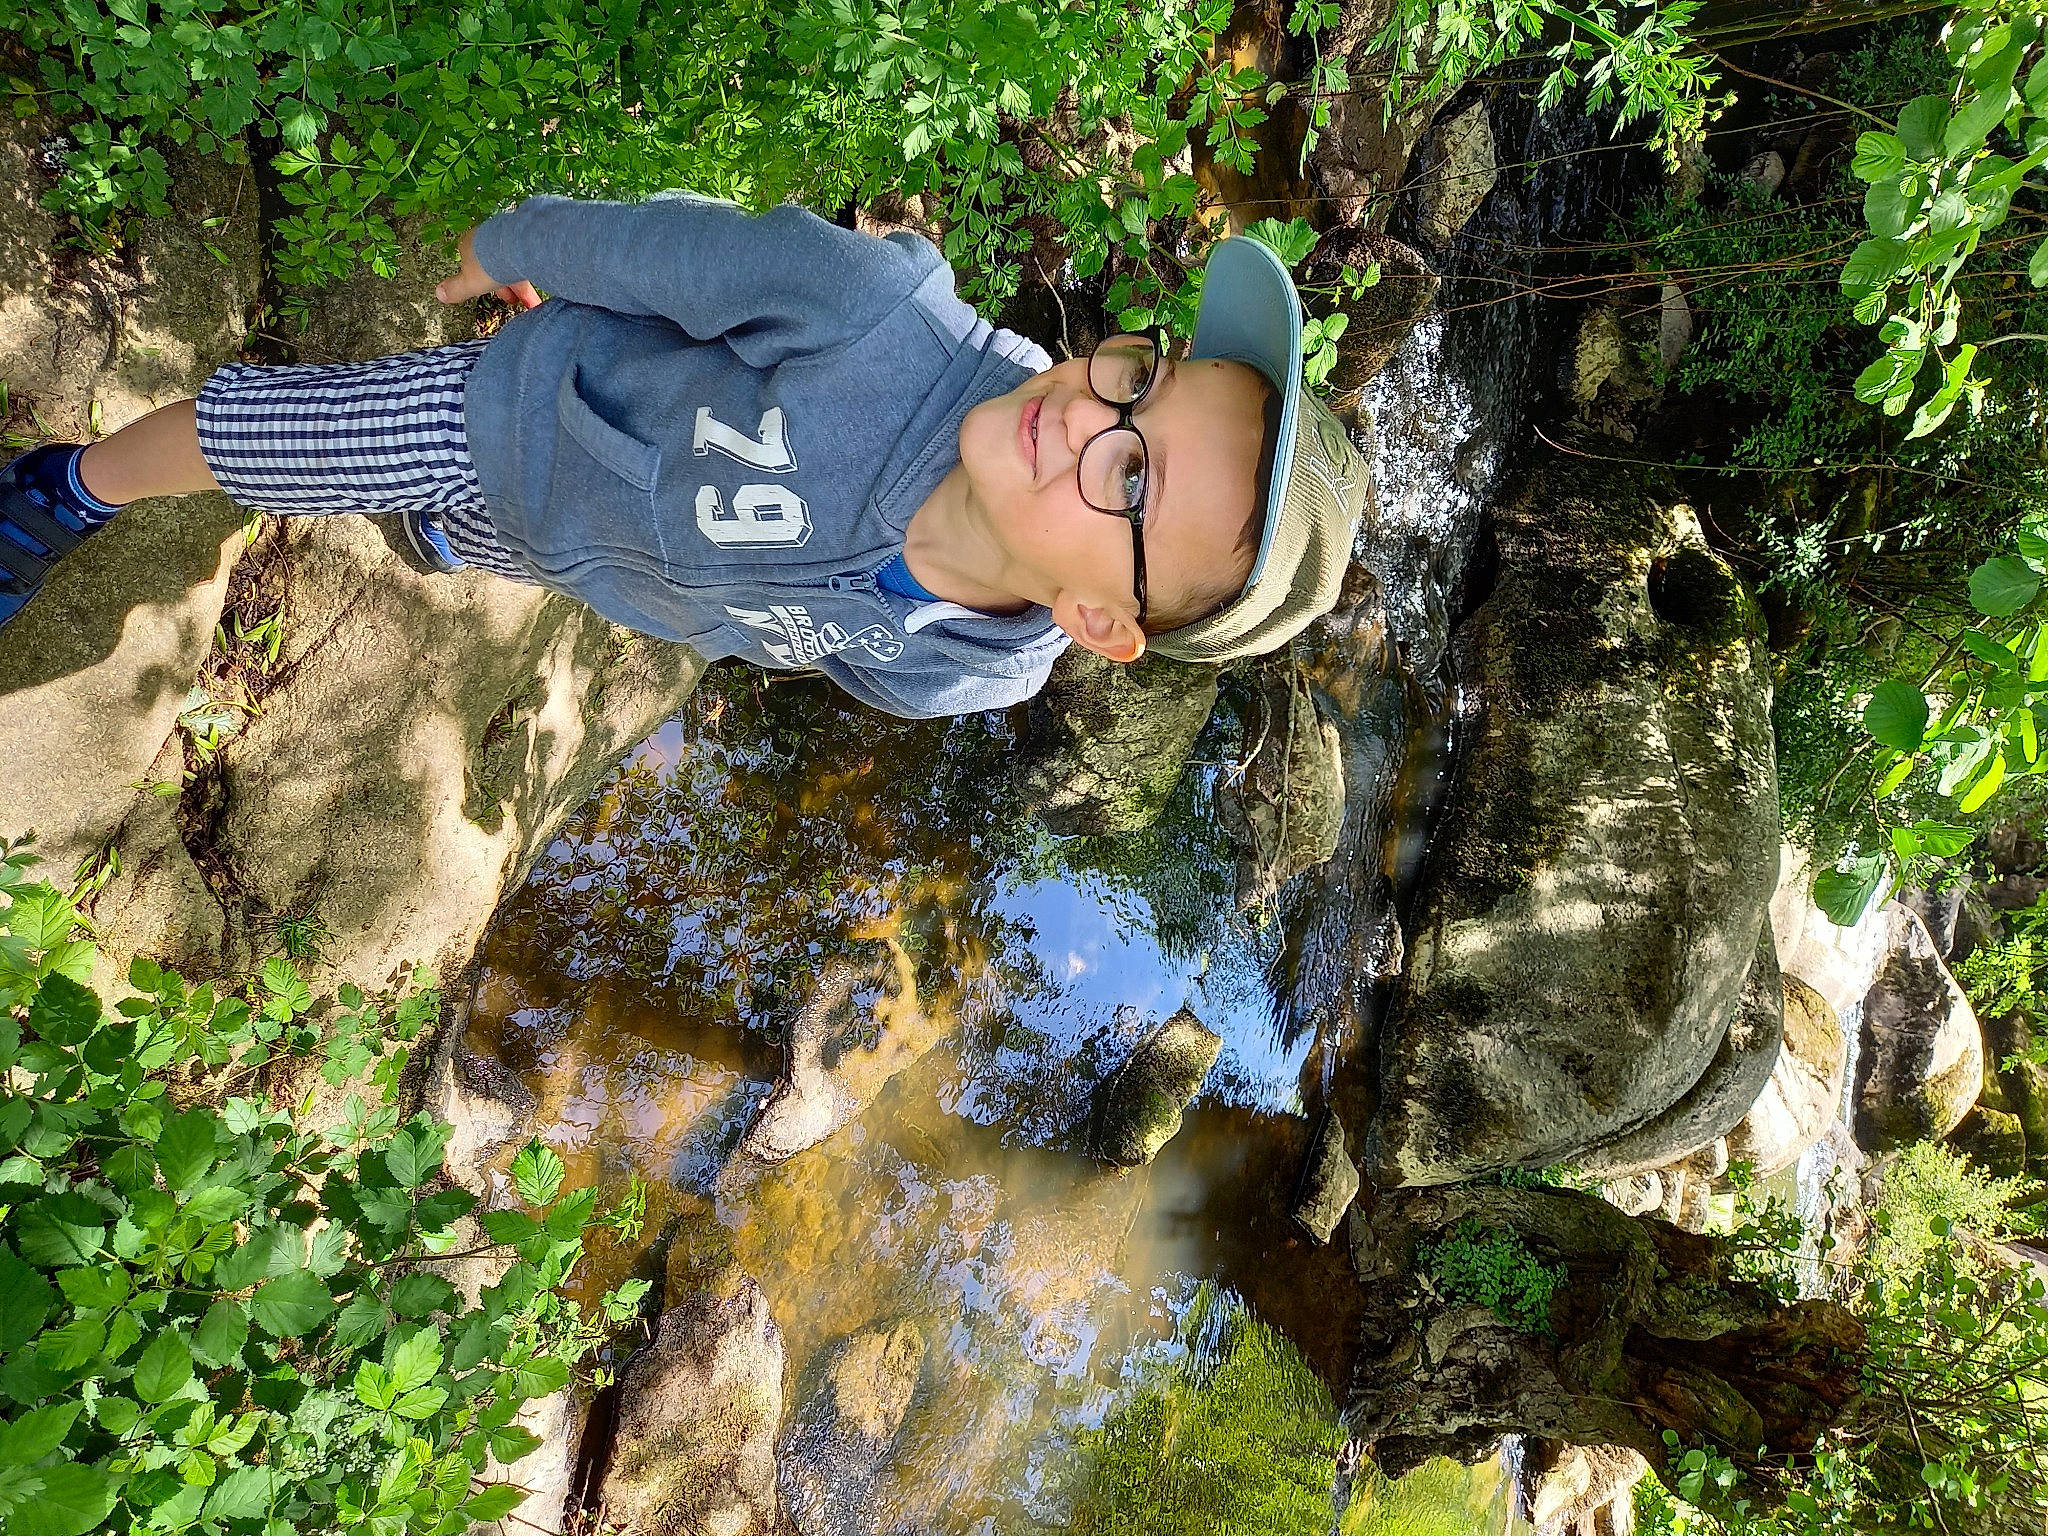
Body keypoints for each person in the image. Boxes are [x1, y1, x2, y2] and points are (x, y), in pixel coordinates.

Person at [0, 194, 1367, 718]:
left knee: (440, 531)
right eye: (1145, 379)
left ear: (1091, 619)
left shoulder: (983, 665)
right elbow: (677, 251)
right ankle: (67, 487)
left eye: (1131, 479)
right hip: (527, 412)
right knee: (285, 444)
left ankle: (431, 528)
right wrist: (522, 246)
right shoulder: (879, 319)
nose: (1088, 416)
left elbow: (828, 647)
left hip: (574, 546)